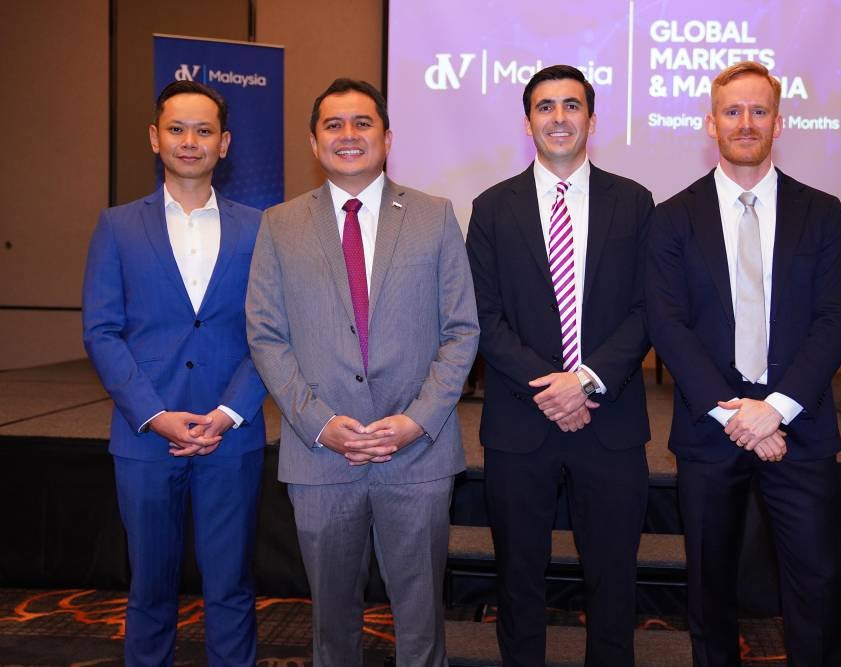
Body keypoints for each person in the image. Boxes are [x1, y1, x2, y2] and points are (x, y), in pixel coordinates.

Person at [245, 78, 479, 667]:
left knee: (421, 622)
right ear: (314, 141)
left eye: (362, 123)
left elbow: (462, 332)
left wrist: (415, 422)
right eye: (334, 125)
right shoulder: (278, 225)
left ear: (388, 136)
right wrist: (320, 424)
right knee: (331, 625)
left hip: (417, 455)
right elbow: (267, 335)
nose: (348, 135)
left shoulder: (435, 216)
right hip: (321, 453)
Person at [646, 61, 841, 666]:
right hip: (711, 430)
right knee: (710, 589)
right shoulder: (672, 217)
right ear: (711, 124)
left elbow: (835, 318)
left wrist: (776, 410)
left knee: (816, 586)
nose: (746, 123)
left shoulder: (822, 212)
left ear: (779, 122)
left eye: (758, 111)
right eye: (732, 111)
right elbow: (669, 325)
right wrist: (736, 414)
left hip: (801, 428)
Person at [466, 64, 653, 667]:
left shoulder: (635, 202)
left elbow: (650, 308)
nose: (559, 118)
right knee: (519, 581)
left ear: (592, 120)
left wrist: (586, 380)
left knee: (614, 580)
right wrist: (550, 386)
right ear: (528, 123)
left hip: (611, 418)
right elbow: (483, 315)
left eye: (571, 106)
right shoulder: (492, 208)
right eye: (545, 107)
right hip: (522, 423)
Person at [82, 80, 267, 666]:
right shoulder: (116, 226)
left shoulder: (261, 229)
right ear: (154, 138)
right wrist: (155, 416)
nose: (191, 141)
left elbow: (273, 334)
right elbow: (101, 331)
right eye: (178, 129)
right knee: (149, 591)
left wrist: (228, 412)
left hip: (230, 435)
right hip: (144, 438)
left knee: (233, 589)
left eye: (204, 130)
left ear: (225, 142)